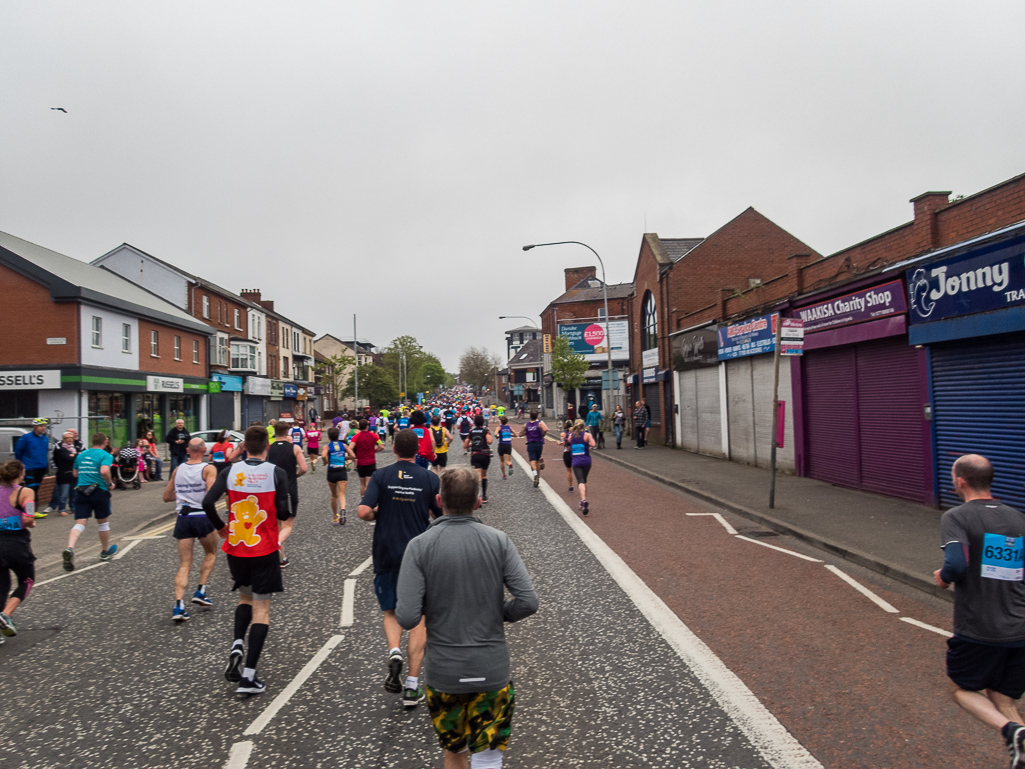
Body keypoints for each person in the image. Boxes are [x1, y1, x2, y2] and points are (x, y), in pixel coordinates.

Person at [396, 466, 538, 769]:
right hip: (491, 669)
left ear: (438, 500)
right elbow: (528, 601)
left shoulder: (419, 547)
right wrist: (498, 613)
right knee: (488, 756)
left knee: (454, 752)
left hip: (444, 673)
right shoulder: (499, 541)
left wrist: (434, 607)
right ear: (477, 502)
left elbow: (407, 617)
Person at [933, 454, 1025, 766]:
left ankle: (1009, 728)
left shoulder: (957, 517)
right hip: (1018, 626)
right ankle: (1020, 739)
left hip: (979, 626)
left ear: (960, 481)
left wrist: (944, 578)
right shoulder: (1017, 518)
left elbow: (957, 563)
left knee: (961, 689)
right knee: (1003, 697)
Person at [203, 425, 292, 695]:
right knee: (262, 611)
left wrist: (221, 527)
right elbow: (285, 511)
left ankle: (237, 644)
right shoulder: (276, 473)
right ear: (266, 447)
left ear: (244, 448)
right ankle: (249, 677)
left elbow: (208, 502)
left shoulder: (230, 472)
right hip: (264, 548)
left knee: (244, 598)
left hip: (237, 548)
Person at [358, 429, 441, 708]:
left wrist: (380, 511)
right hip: (418, 553)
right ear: (418, 449)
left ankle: (394, 651)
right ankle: (412, 686)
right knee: (420, 616)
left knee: (391, 610)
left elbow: (362, 511)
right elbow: (440, 514)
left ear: (393, 449)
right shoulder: (428, 478)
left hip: (386, 550)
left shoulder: (381, 476)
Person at [162, 437, 219, 621]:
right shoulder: (208, 469)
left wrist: (184, 495)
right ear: (204, 450)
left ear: (187, 450)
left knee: (185, 564)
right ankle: (201, 590)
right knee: (211, 553)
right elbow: (211, 497)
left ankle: (179, 605)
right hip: (202, 516)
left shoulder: (178, 470)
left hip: (183, 517)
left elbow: (167, 497)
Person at [63, 432, 117, 571]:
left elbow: (75, 473)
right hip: (99, 491)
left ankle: (70, 548)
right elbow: (104, 471)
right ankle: (105, 551)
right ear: (105, 442)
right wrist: (110, 483)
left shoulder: (81, 455)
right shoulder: (105, 455)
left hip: (82, 491)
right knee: (103, 523)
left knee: (80, 523)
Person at [0, 460, 38, 643]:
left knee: (1, 587)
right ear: (21, 474)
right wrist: (31, 522)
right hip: (16, 543)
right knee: (27, 580)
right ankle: (6, 615)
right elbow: (28, 517)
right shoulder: (25, 492)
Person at [267, 422, 308, 569]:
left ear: (274, 432)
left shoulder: (269, 449)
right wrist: (295, 475)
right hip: (289, 489)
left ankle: (282, 558)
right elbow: (304, 468)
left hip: (272, 490)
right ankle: (274, 546)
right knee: (287, 526)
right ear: (287, 432)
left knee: (277, 526)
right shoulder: (295, 448)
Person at [14, 419, 49, 518]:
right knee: (31, 490)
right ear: (35, 427)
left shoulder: (45, 439)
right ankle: (29, 512)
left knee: (36, 490)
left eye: (44, 426)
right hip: (29, 467)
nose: (43, 428)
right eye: (41, 426)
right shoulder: (26, 438)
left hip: (41, 467)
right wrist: (21, 465)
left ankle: (33, 511)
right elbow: (18, 452)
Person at [321, 428, 349, 525]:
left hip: (331, 471)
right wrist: (345, 457)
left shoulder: (327, 446)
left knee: (334, 495)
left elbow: (323, 455)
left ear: (328, 437)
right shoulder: (343, 445)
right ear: (338, 435)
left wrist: (325, 462)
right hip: (342, 471)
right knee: (342, 494)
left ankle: (335, 516)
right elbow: (353, 455)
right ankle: (343, 509)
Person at [47, 431, 79, 516]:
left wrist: (73, 456)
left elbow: (78, 457)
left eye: (71, 438)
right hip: (63, 474)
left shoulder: (74, 448)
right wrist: (74, 456)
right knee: (63, 494)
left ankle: (73, 508)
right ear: (63, 439)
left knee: (74, 493)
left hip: (73, 474)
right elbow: (66, 458)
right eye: (67, 438)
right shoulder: (61, 449)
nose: (69, 440)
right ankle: (61, 509)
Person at [568, 419, 595, 515]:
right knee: (584, 480)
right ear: (583, 426)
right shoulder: (587, 435)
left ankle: (583, 500)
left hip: (576, 462)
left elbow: (568, 442)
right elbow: (593, 444)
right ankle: (583, 500)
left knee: (580, 481)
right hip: (587, 461)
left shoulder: (571, 436)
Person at [465, 414, 493, 504]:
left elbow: (465, 444)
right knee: (484, 475)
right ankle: (484, 496)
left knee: (477, 476)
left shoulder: (471, 432)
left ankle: (477, 497)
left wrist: (471, 444)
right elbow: (490, 441)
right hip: (485, 454)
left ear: (474, 422)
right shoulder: (486, 431)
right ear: (483, 422)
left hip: (475, 455)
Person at [352, 420, 384, 496]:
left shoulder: (356, 436)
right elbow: (381, 446)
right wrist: (374, 451)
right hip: (370, 462)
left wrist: (353, 456)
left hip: (360, 462)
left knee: (362, 484)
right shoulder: (374, 435)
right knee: (368, 484)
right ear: (367, 426)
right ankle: (367, 502)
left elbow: (350, 448)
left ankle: (363, 499)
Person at [520, 411, 548, 488]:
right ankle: (538, 476)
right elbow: (545, 429)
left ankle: (535, 474)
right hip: (539, 443)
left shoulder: (526, 424)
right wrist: (542, 435)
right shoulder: (539, 423)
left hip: (531, 444)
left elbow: (521, 433)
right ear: (537, 416)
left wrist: (524, 433)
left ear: (530, 416)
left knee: (532, 461)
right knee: (538, 460)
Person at [494, 416, 514, 481]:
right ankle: (509, 464)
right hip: (508, 445)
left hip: (501, 445)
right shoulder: (509, 427)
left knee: (502, 460)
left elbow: (495, 434)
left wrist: (497, 437)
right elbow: (516, 434)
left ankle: (504, 475)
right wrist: (509, 435)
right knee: (507, 460)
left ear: (500, 421)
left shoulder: (499, 427)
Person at [559, 420, 575, 493]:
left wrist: (558, 442)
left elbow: (562, 443)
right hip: (575, 452)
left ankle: (571, 486)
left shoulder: (563, 434)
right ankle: (581, 483)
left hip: (567, 453)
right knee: (578, 469)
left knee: (569, 470)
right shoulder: (575, 433)